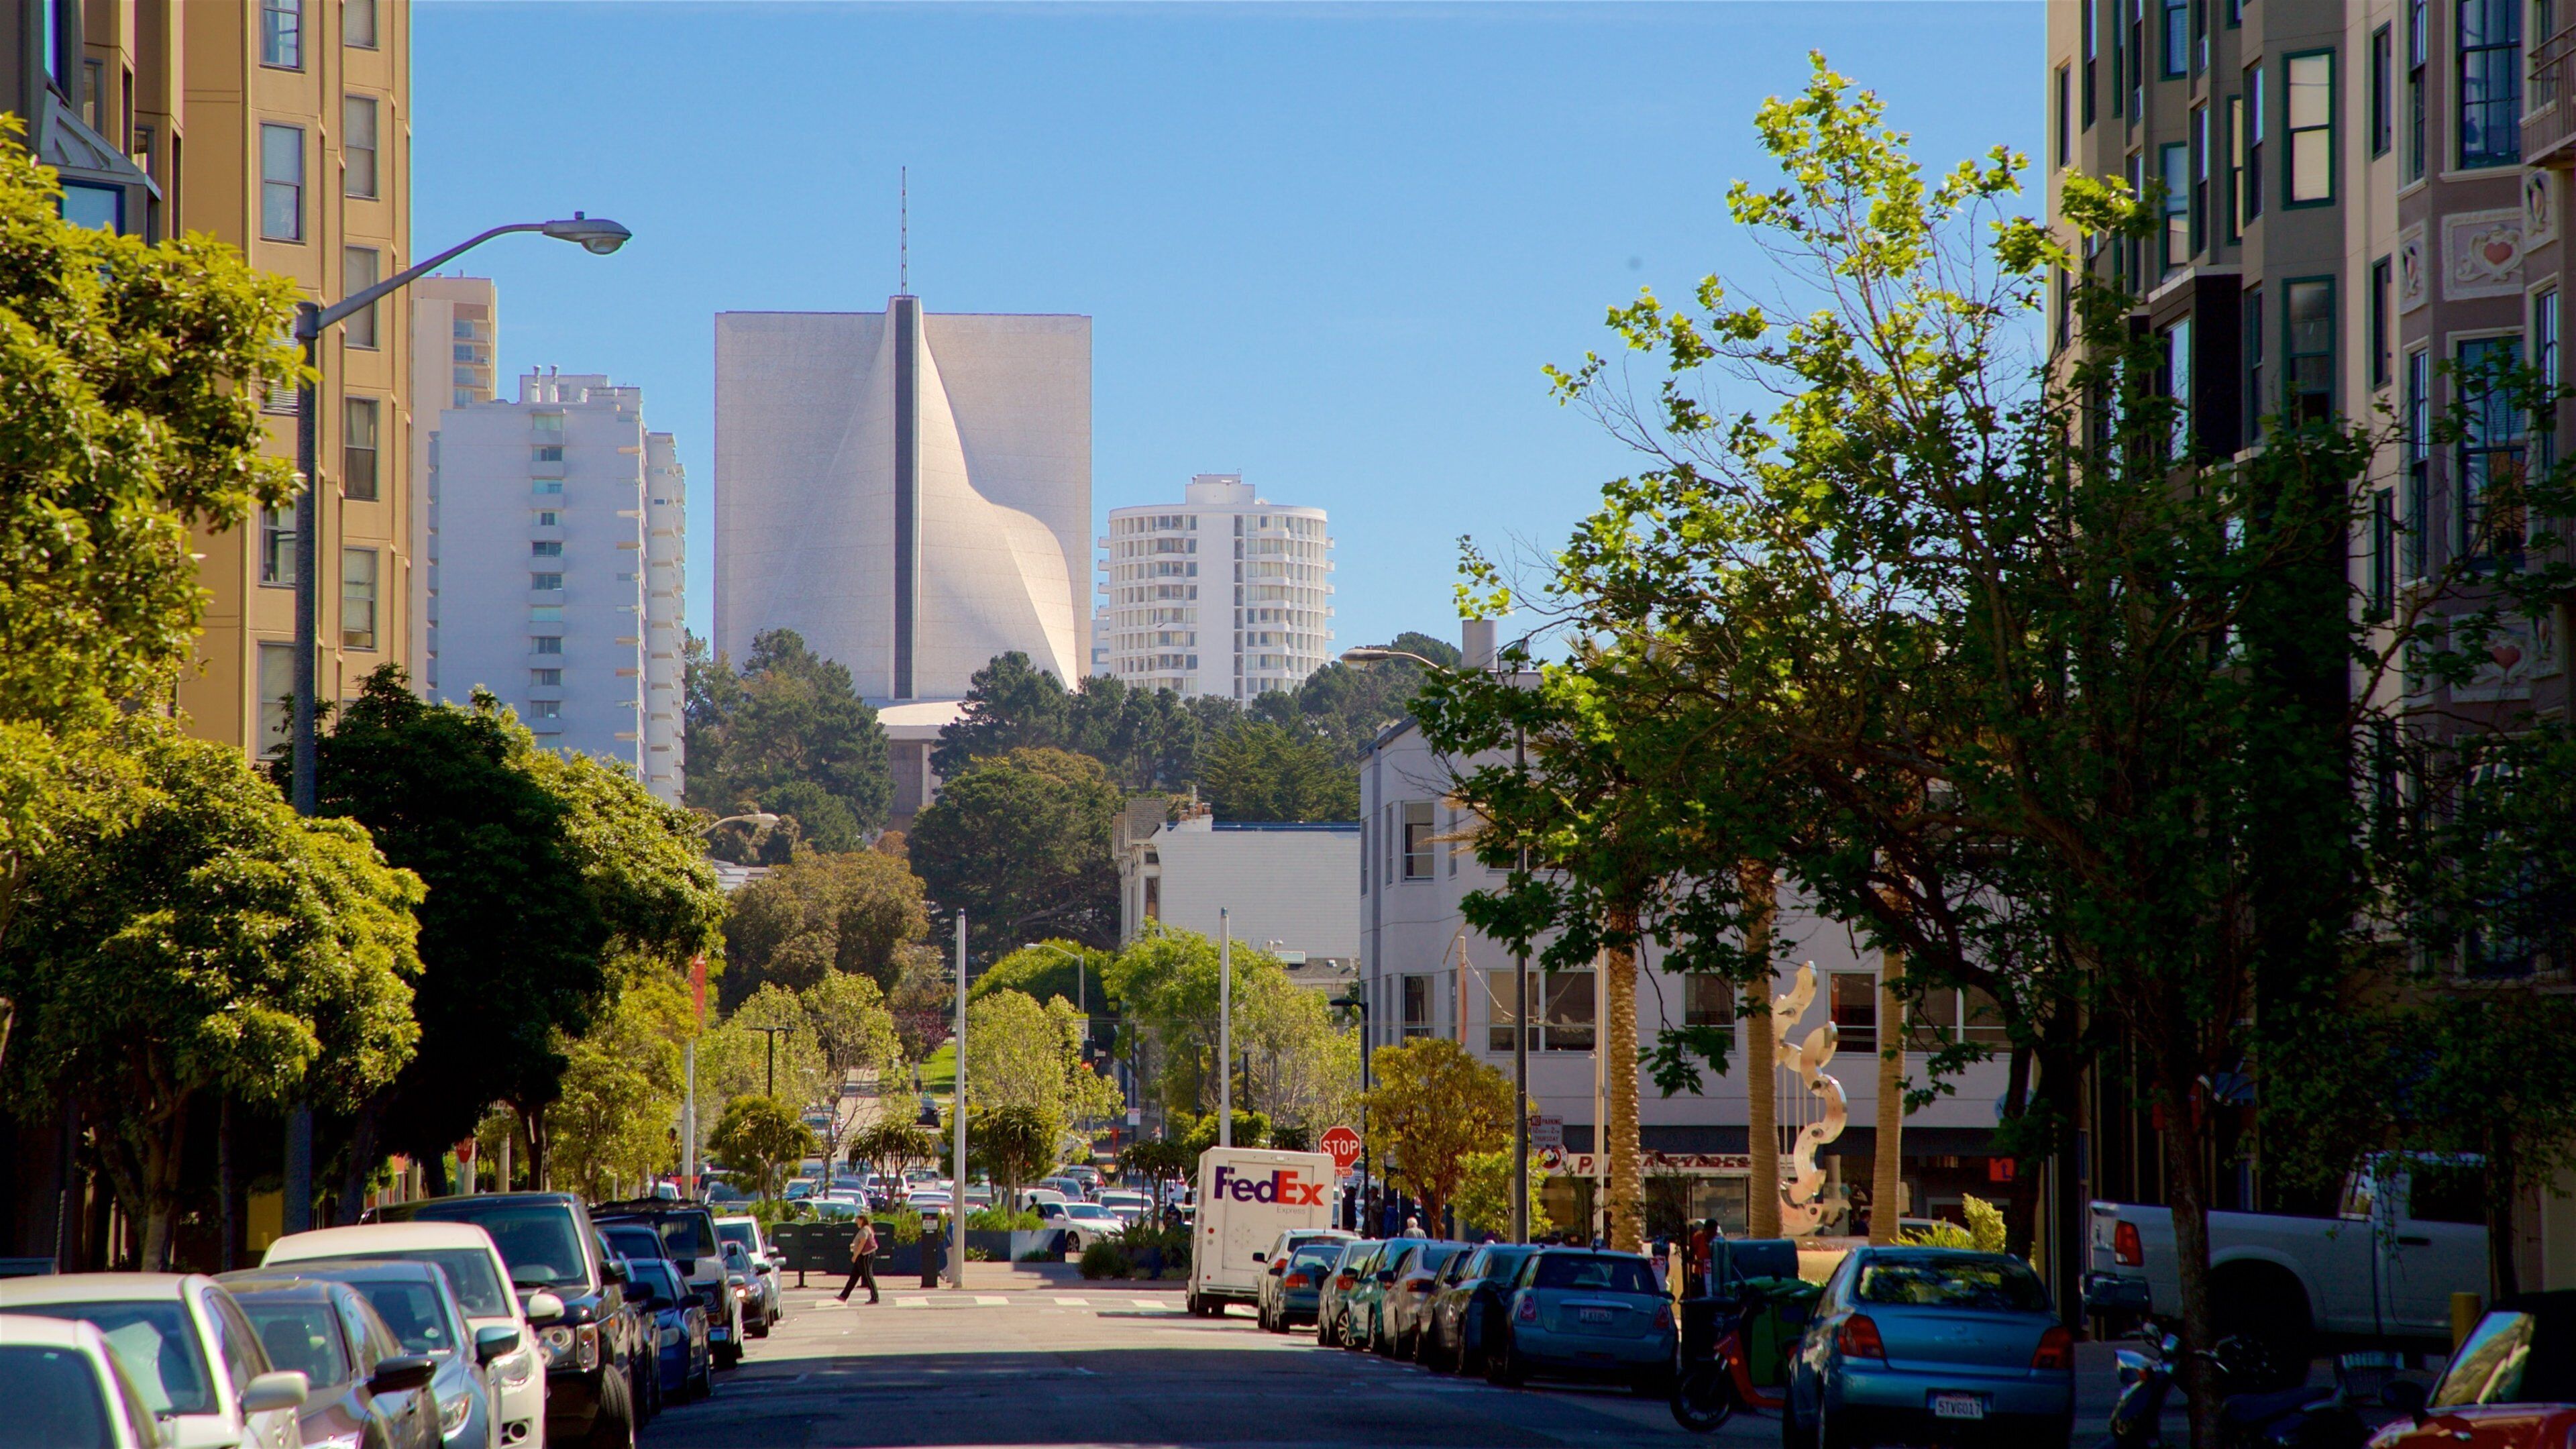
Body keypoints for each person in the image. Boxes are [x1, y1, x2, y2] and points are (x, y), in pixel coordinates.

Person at [838, 1212, 881, 1303]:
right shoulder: (864, 1229)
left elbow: (862, 1243)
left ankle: (875, 1298)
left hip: (866, 1255)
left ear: (862, 1220)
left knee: (868, 1276)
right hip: (862, 1255)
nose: (856, 1222)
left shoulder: (865, 1229)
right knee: (854, 1277)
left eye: (857, 1220)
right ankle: (844, 1296)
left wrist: (855, 1255)